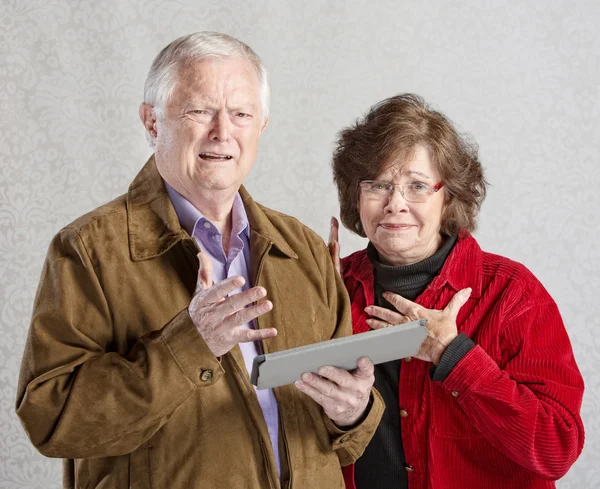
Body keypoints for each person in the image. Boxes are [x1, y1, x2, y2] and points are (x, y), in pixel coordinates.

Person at [15, 32, 384, 489]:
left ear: (261, 125)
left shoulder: (303, 249)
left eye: (241, 114)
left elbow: (344, 442)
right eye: (200, 110)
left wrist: (355, 412)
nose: (222, 132)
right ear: (152, 123)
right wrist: (188, 346)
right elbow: (51, 420)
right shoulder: (87, 251)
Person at [328, 93, 585, 489]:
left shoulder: (512, 294)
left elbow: (556, 448)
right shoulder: (330, 286)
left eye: (417, 186)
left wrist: (453, 355)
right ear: (356, 195)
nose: (395, 204)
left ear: (448, 197)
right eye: (378, 185)